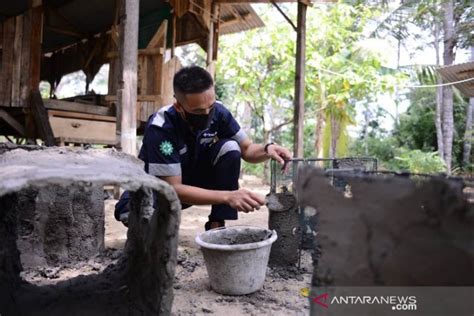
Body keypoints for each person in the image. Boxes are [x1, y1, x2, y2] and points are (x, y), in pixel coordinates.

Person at [115, 66, 292, 230]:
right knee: (138, 214)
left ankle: (216, 225)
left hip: (194, 182)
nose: (207, 114)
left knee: (231, 147)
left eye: (211, 107)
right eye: (199, 112)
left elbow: (247, 149)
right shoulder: (161, 128)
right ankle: (138, 214)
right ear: (179, 106)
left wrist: (267, 149)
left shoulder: (219, 112)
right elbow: (172, 188)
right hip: (159, 189)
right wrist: (228, 196)